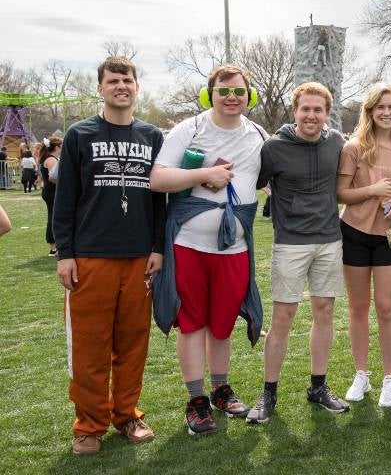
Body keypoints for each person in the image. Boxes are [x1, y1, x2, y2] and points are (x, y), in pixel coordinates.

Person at [53, 56, 164, 455]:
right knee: (90, 344)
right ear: (99, 88)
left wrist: (157, 247)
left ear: (137, 87)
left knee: (133, 342)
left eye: (128, 80)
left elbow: (159, 201)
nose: (121, 86)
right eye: (113, 81)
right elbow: (64, 199)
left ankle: (128, 414)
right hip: (90, 257)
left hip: (139, 257)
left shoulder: (152, 136)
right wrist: (64, 253)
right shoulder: (80, 135)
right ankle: (89, 424)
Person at [150, 64, 267, 435]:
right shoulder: (191, 128)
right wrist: (203, 174)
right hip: (189, 243)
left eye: (238, 92)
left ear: (249, 96)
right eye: (223, 91)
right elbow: (157, 178)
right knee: (192, 323)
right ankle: (196, 398)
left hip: (234, 247)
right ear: (210, 93)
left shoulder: (258, 134)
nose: (231, 98)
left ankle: (220, 388)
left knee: (221, 325)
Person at [246, 82, 349, 423]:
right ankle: (268, 393)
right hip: (290, 241)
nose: (311, 115)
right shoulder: (274, 147)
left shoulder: (336, 142)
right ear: (295, 111)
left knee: (324, 312)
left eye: (318, 109)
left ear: (327, 113)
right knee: (283, 317)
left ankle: (318, 387)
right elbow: (255, 181)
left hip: (329, 240)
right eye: (305, 108)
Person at [339, 84, 391, 408]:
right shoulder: (354, 147)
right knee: (358, 308)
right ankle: (361, 374)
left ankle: (389, 378)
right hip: (355, 232)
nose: (386, 112)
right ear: (370, 111)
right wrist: (373, 189)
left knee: (387, 307)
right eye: (380, 107)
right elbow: (341, 193)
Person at [39, 137, 62, 256]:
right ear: (57, 147)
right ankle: (53, 247)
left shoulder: (50, 158)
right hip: (52, 192)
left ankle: (54, 246)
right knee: (53, 218)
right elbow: (53, 178)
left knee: (53, 217)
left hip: (50, 191)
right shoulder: (51, 159)